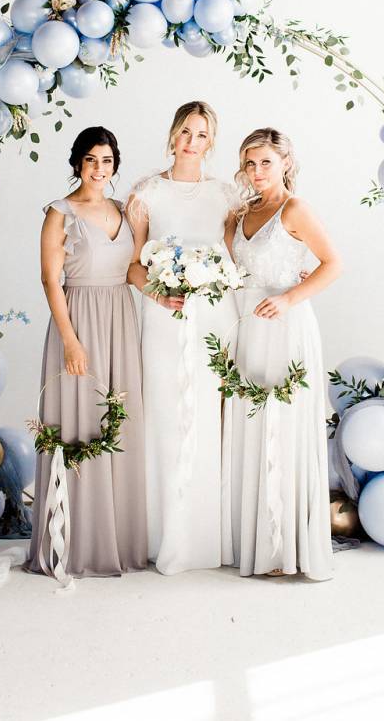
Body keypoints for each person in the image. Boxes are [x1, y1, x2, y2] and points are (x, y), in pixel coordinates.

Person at [25, 126, 147, 578]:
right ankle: (76, 544)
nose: (99, 169)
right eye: (91, 159)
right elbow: (49, 280)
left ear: (116, 165)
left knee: (120, 418)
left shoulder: (122, 210)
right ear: (78, 162)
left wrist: (168, 294)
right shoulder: (60, 213)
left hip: (120, 317)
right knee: (81, 419)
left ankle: (117, 539)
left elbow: (132, 270)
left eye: (107, 161)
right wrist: (71, 340)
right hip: (79, 320)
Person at [222, 127, 342, 580]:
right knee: (252, 427)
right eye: (249, 163)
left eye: (265, 162)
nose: (256, 172)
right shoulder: (239, 214)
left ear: (286, 162)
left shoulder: (296, 210)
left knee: (285, 429)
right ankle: (255, 542)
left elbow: (333, 264)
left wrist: (289, 299)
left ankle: (287, 545)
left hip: (287, 327)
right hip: (248, 329)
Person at [126, 101, 239, 575]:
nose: (192, 141)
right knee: (166, 418)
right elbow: (131, 265)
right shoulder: (146, 194)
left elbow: (234, 264)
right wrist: (159, 289)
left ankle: (209, 538)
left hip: (214, 318)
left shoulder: (227, 196)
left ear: (212, 141)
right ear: (173, 135)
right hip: (163, 318)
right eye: (186, 132)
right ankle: (163, 532)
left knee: (211, 421)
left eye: (202, 134)